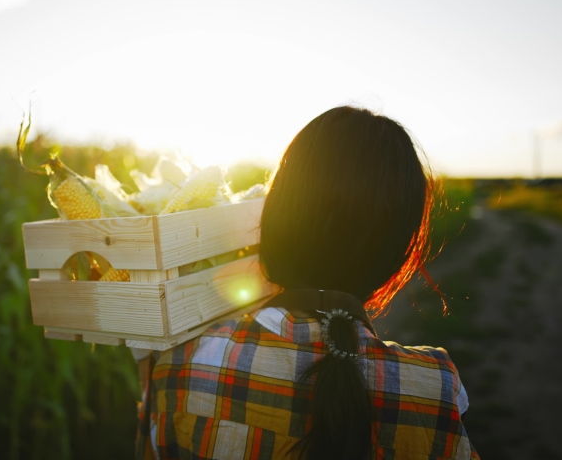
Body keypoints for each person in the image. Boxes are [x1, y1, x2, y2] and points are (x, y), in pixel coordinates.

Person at [134, 106, 479, 459]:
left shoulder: (182, 366)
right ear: (399, 249)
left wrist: (149, 381)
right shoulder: (435, 390)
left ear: (278, 216)